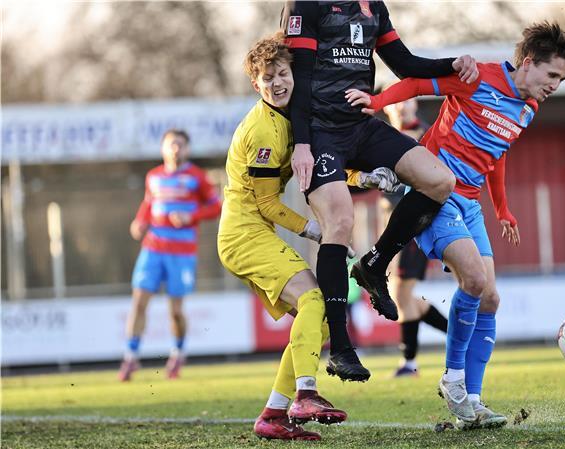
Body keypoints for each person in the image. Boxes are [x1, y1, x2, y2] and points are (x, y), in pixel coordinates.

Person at [345, 22, 565, 428]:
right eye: (552, 75)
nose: (555, 85)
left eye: (561, 80)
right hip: (435, 196)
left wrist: (503, 208)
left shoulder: (528, 109)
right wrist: (376, 101)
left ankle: (472, 402)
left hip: (470, 204)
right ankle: (453, 381)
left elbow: (496, 154)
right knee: (473, 281)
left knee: (490, 298)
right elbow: (418, 85)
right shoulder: (480, 77)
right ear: (528, 63)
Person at [282, 0, 479, 382]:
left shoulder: (374, 5)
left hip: (362, 125)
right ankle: (340, 348)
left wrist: (451, 64)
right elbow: (299, 78)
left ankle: (374, 263)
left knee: (440, 180)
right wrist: (302, 144)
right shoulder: (306, 3)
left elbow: (404, 64)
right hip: (321, 132)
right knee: (340, 220)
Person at [217, 33, 395, 441]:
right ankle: (305, 393)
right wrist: (315, 230)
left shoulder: (294, 117)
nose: (277, 82)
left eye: (282, 72)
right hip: (242, 235)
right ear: (255, 84)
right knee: (317, 300)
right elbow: (265, 204)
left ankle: (273, 415)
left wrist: (365, 177)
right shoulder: (262, 130)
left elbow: (318, 166)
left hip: (254, 233)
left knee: (314, 320)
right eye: (267, 77)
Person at [118, 129, 222, 382]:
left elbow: (216, 206)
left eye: (180, 145)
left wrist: (191, 216)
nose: (175, 149)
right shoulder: (153, 176)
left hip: (182, 252)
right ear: (163, 148)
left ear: (187, 149)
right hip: (153, 248)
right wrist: (140, 221)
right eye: (171, 144)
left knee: (175, 310)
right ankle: (130, 357)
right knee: (139, 301)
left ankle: (177, 353)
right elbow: (148, 204)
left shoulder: (197, 177)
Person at [381, 99, 448, 377]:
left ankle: (409, 363)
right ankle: (458, 336)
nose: (399, 106)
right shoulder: (384, 138)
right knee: (406, 298)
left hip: (416, 225)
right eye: (392, 102)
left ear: (414, 103)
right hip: (399, 226)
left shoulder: (424, 137)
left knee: (400, 294)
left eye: (404, 100)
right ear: (385, 108)